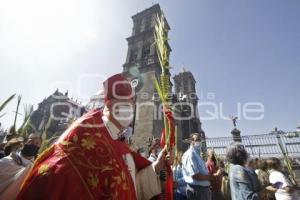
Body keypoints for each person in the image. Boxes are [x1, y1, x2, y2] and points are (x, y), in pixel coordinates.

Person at [17, 73, 168, 200]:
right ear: (108, 104)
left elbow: (132, 187)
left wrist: (156, 166)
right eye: (125, 102)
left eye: (131, 103)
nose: (130, 108)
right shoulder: (84, 135)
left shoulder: (122, 145)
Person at [182, 133, 218, 200]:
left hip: (203, 191)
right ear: (191, 141)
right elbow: (195, 175)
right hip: (197, 190)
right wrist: (210, 177)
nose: (199, 142)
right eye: (197, 140)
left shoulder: (197, 154)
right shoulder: (190, 154)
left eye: (200, 140)